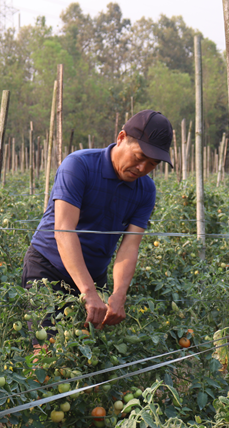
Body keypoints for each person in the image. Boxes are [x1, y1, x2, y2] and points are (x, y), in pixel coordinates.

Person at [22, 110, 173, 341]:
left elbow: (129, 247)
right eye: (139, 157)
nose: (142, 168)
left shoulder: (146, 190)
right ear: (121, 138)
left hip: (94, 276)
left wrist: (118, 294)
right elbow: (64, 231)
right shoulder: (79, 165)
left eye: (152, 164)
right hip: (48, 269)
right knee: (43, 352)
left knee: (83, 358)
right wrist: (89, 293)